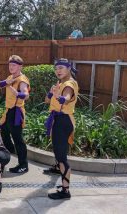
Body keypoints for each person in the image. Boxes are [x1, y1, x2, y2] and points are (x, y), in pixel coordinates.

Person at [44, 58, 79, 200]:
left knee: (62, 157)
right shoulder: (60, 83)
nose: (58, 71)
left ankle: (65, 190)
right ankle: (58, 168)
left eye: (61, 68)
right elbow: (47, 101)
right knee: (58, 149)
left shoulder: (69, 84)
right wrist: (52, 92)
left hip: (63, 121)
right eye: (56, 68)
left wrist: (61, 97)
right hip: (57, 119)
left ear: (68, 68)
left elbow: (67, 96)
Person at [0, 55, 30, 173]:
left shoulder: (22, 80)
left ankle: (23, 164)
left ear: (20, 66)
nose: (11, 67)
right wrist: (6, 82)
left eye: (14, 65)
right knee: (3, 132)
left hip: (16, 112)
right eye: (10, 65)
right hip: (9, 110)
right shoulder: (10, 77)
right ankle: (11, 152)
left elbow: (26, 94)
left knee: (18, 138)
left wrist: (19, 94)